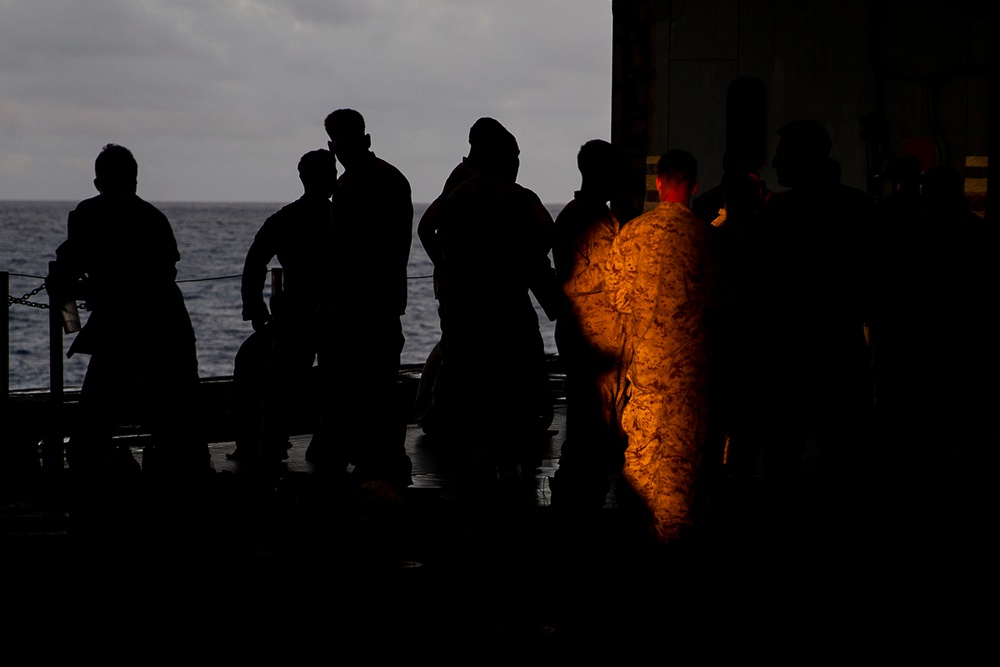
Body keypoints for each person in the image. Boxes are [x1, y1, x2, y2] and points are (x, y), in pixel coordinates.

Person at [49, 143, 208, 478]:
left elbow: (65, 272)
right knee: (179, 421)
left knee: (94, 421)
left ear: (98, 183)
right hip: (170, 326)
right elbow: (165, 274)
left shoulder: (88, 214)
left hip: (120, 328)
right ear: (135, 180)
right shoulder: (154, 218)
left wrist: (70, 324)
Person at [431, 120, 561, 487]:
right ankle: (510, 461)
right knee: (517, 380)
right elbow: (546, 242)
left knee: (467, 385)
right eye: (514, 156)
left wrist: (446, 273)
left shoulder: (458, 190)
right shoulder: (517, 197)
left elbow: (429, 229)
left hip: (462, 307)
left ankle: (472, 461)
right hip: (505, 307)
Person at [605, 149, 710, 542]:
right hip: (691, 382)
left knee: (641, 474)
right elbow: (727, 303)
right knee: (682, 481)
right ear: (695, 186)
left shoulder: (631, 234)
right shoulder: (707, 239)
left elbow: (616, 300)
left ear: (659, 183)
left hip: (645, 379)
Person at [317, 109, 412, 489]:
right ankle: (384, 458)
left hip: (361, 304)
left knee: (362, 386)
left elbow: (350, 252)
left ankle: (373, 458)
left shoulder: (349, 187)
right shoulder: (389, 179)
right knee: (378, 384)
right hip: (377, 301)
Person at [232, 149, 338, 464]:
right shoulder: (342, 218)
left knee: (268, 376)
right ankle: (323, 444)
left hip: (295, 316)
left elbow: (255, 261)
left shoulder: (286, 218)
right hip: (335, 316)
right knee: (331, 382)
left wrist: (255, 307)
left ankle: (262, 445)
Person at [550, 139, 627, 509]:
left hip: (596, 338)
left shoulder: (591, 214)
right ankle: (576, 501)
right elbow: (578, 282)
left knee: (592, 425)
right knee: (588, 429)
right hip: (592, 339)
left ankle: (578, 497)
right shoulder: (586, 218)